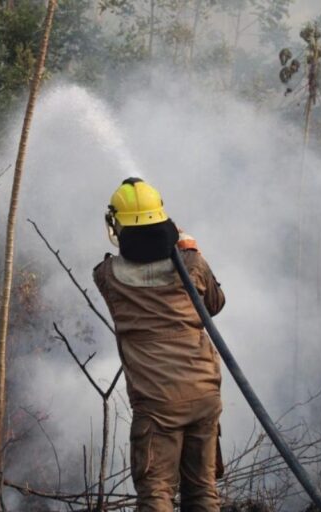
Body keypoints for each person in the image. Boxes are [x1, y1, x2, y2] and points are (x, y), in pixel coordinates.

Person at [93, 177, 225, 511]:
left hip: (157, 405)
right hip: (203, 394)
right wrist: (191, 251)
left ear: (117, 226)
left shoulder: (108, 276)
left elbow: (128, 264)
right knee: (203, 492)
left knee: (156, 494)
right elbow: (214, 304)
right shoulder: (192, 265)